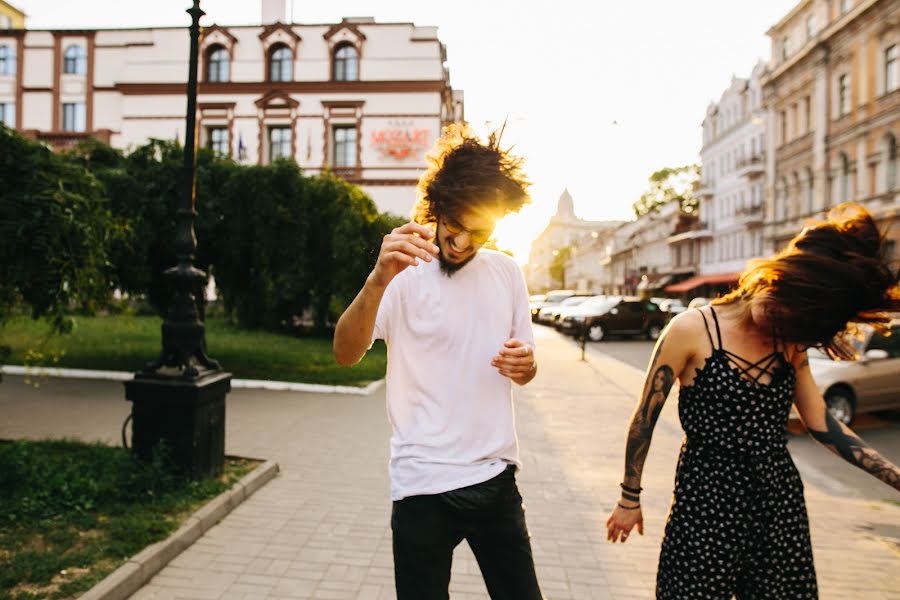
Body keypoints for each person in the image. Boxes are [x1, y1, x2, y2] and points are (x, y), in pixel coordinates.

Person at [605, 203, 900, 599]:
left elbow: (821, 423)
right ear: (776, 279)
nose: (778, 324)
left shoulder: (791, 339)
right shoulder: (692, 329)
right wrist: (629, 497)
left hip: (777, 503)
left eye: (791, 321)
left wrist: (894, 477)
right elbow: (644, 419)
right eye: (780, 309)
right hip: (706, 501)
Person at [333, 124, 543, 600]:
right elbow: (345, 354)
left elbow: (528, 367)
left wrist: (524, 365)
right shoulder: (403, 272)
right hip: (421, 484)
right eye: (455, 226)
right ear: (438, 206)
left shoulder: (507, 273)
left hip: (494, 479)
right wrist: (375, 281)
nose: (464, 242)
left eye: (479, 231)